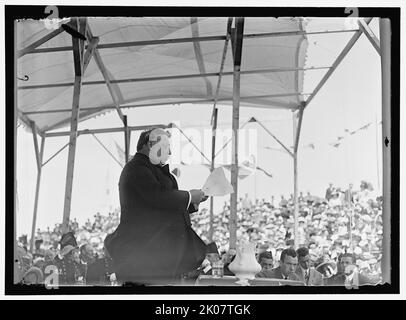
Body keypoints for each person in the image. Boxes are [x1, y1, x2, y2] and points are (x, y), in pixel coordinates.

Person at [104, 128, 209, 285]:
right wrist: (188, 196)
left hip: (158, 255)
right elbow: (157, 196)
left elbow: (161, 206)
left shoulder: (149, 169)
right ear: (148, 144)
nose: (169, 151)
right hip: (145, 254)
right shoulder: (136, 168)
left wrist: (192, 202)